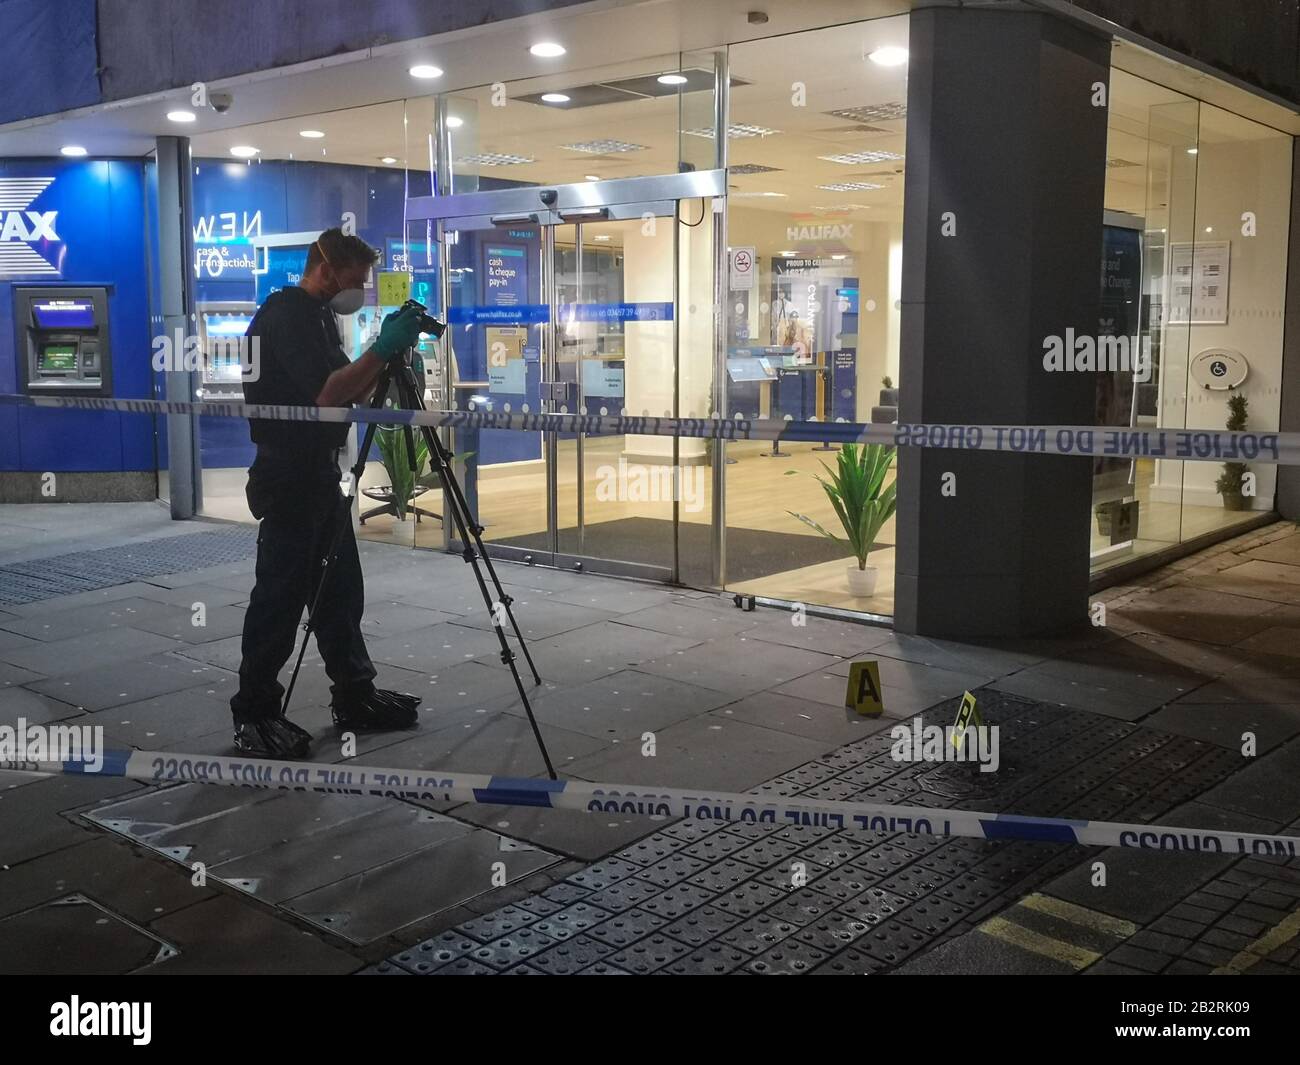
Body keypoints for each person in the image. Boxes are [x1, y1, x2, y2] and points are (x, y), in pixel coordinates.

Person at [230, 227, 427, 758]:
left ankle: (355, 694)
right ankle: (255, 713)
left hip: (317, 475)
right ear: (326, 269)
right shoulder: (288, 314)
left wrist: (384, 360)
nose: (359, 288)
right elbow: (328, 395)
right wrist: (380, 349)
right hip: (288, 475)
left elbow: (348, 390)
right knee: (280, 597)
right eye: (356, 279)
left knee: (339, 593)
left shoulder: (315, 316)